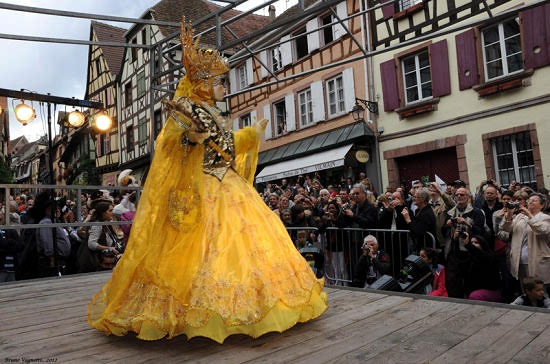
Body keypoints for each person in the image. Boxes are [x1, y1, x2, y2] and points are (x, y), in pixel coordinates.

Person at [87, 20, 327, 344]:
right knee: (201, 250)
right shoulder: (188, 108)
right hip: (203, 187)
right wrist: (197, 138)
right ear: (202, 82)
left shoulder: (213, 112)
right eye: (220, 82)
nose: (224, 88)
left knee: (242, 247)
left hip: (226, 185)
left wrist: (245, 136)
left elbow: (225, 146)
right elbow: (173, 145)